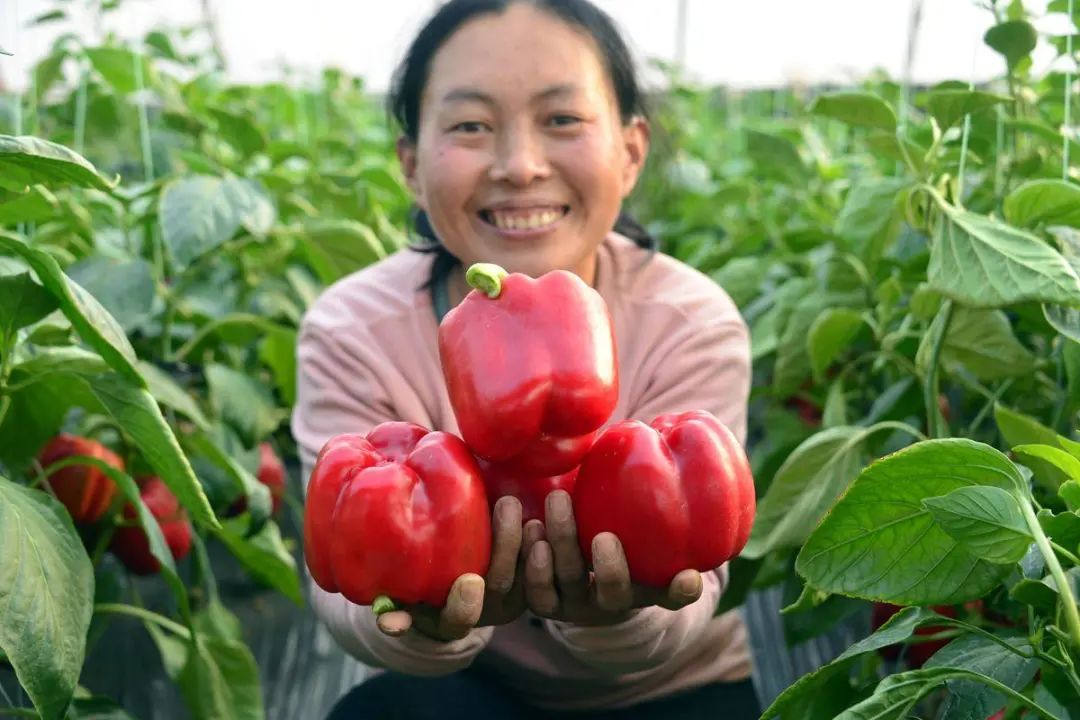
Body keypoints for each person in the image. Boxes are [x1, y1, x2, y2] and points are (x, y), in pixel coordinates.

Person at [291, 1, 759, 717]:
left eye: (562, 120)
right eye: (470, 126)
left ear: (631, 153)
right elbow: (340, 586)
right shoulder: (353, 327)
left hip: (672, 686)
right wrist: (423, 623)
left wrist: (617, 616)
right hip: (468, 691)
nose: (519, 166)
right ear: (411, 165)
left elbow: (700, 580)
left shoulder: (689, 320)